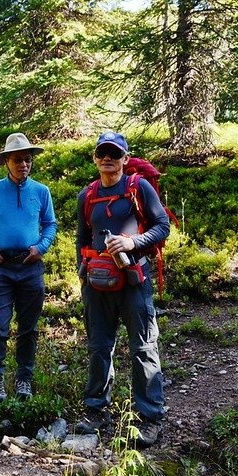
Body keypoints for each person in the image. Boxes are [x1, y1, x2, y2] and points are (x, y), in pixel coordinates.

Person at [74, 131, 169, 448]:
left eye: (115, 153)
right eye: (102, 153)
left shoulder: (138, 188)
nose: (108, 158)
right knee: (99, 347)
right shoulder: (87, 195)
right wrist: (81, 271)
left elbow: (161, 226)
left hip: (133, 280)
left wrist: (132, 242)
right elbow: (82, 238)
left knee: (143, 347)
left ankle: (150, 417)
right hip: (96, 283)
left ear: (125, 159)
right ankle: (96, 410)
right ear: (95, 158)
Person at [0, 133, 58, 402]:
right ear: (6, 161)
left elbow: (50, 224)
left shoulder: (41, 191)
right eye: (18, 160)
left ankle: (24, 380)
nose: (24, 165)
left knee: (28, 327)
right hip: (1, 267)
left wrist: (41, 247)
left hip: (31, 266)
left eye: (28, 160)